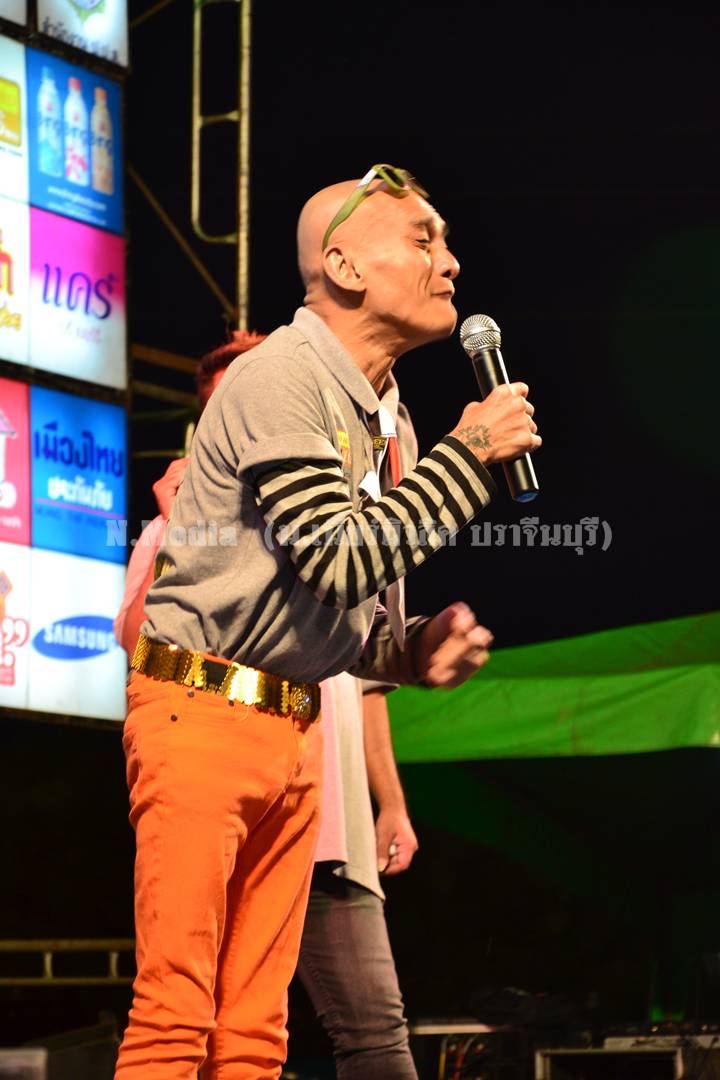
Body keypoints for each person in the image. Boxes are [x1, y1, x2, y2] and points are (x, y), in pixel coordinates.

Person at [114, 163, 540, 1080]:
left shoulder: (391, 423)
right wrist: (471, 454)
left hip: (296, 728)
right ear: (344, 267)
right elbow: (337, 556)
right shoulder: (279, 374)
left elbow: (354, 616)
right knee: (176, 1018)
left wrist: (413, 650)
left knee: (255, 1032)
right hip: (201, 712)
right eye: (423, 239)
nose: (450, 263)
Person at [115, 332, 420, 1079]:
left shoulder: (329, 505)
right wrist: (181, 528)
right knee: (179, 1011)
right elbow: (141, 638)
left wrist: (390, 802)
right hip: (211, 741)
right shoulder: (189, 520)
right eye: (225, 406)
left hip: (318, 789)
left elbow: (365, 670)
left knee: (263, 1027)